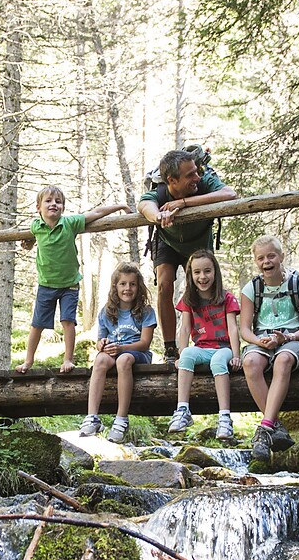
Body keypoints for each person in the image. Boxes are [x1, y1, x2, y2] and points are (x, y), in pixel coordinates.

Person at [137, 148, 238, 361]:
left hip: (198, 241)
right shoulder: (160, 191)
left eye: (196, 171)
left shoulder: (204, 182)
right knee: (164, 284)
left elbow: (230, 194)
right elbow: (144, 205)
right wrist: (160, 216)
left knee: (202, 287)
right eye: (190, 175)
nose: (197, 177)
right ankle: (170, 348)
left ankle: (212, 342)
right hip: (167, 242)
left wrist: (183, 203)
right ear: (172, 180)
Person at [17, 186, 129, 374]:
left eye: (58, 201)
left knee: (68, 321)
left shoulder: (69, 223)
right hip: (46, 285)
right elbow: (30, 241)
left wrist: (120, 206)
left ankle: (68, 359)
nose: (53, 204)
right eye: (48, 201)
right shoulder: (36, 226)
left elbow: (96, 213)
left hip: (69, 285)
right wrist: (28, 244)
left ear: (63, 207)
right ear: (38, 207)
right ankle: (28, 361)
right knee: (37, 324)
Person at [240, 236, 299, 462]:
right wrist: (257, 341)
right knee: (250, 362)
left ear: (281, 256)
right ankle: (275, 426)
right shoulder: (251, 288)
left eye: (271, 256)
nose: (266, 262)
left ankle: (264, 428)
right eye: (261, 258)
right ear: (255, 261)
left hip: (292, 339)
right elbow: (244, 329)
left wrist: (288, 337)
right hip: (262, 340)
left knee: (283, 360)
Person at [167, 248, 242, 441]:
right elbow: (185, 328)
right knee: (188, 354)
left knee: (218, 361)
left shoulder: (227, 298)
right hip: (201, 348)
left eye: (207, 271)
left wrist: (236, 355)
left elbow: (233, 328)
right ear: (190, 275)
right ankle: (182, 410)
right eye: (197, 272)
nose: (202, 277)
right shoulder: (189, 300)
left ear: (215, 272)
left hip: (223, 349)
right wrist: (180, 355)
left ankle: (224, 417)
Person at [79, 263, 157, 444]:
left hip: (136, 353)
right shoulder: (106, 311)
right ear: (115, 286)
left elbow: (145, 343)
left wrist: (122, 349)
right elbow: (100, 340)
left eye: (132, 284)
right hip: (114, 351)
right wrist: (102, 345)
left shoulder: (146, 311)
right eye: (123, 284)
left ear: (139, 287)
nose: (127, 288)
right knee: (100, 360)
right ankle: (92, 417)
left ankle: (121, 419)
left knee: (123, 360)